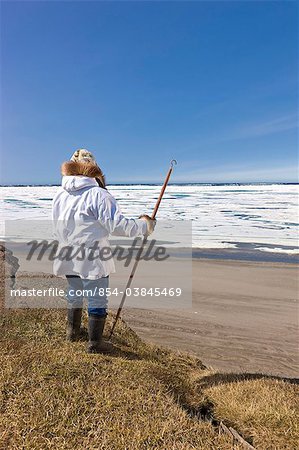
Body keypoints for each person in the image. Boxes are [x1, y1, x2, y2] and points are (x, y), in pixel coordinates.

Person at [52, 149, 156, 353]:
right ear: (94, 170)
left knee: (75, 291)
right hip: (91, 255)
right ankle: (95, 344)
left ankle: (72, 332)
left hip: (67, 252)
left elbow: (57, 224)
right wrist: (145, 226)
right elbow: (118, 226)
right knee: (97, 297)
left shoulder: (60, 194)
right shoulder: (99, 195)